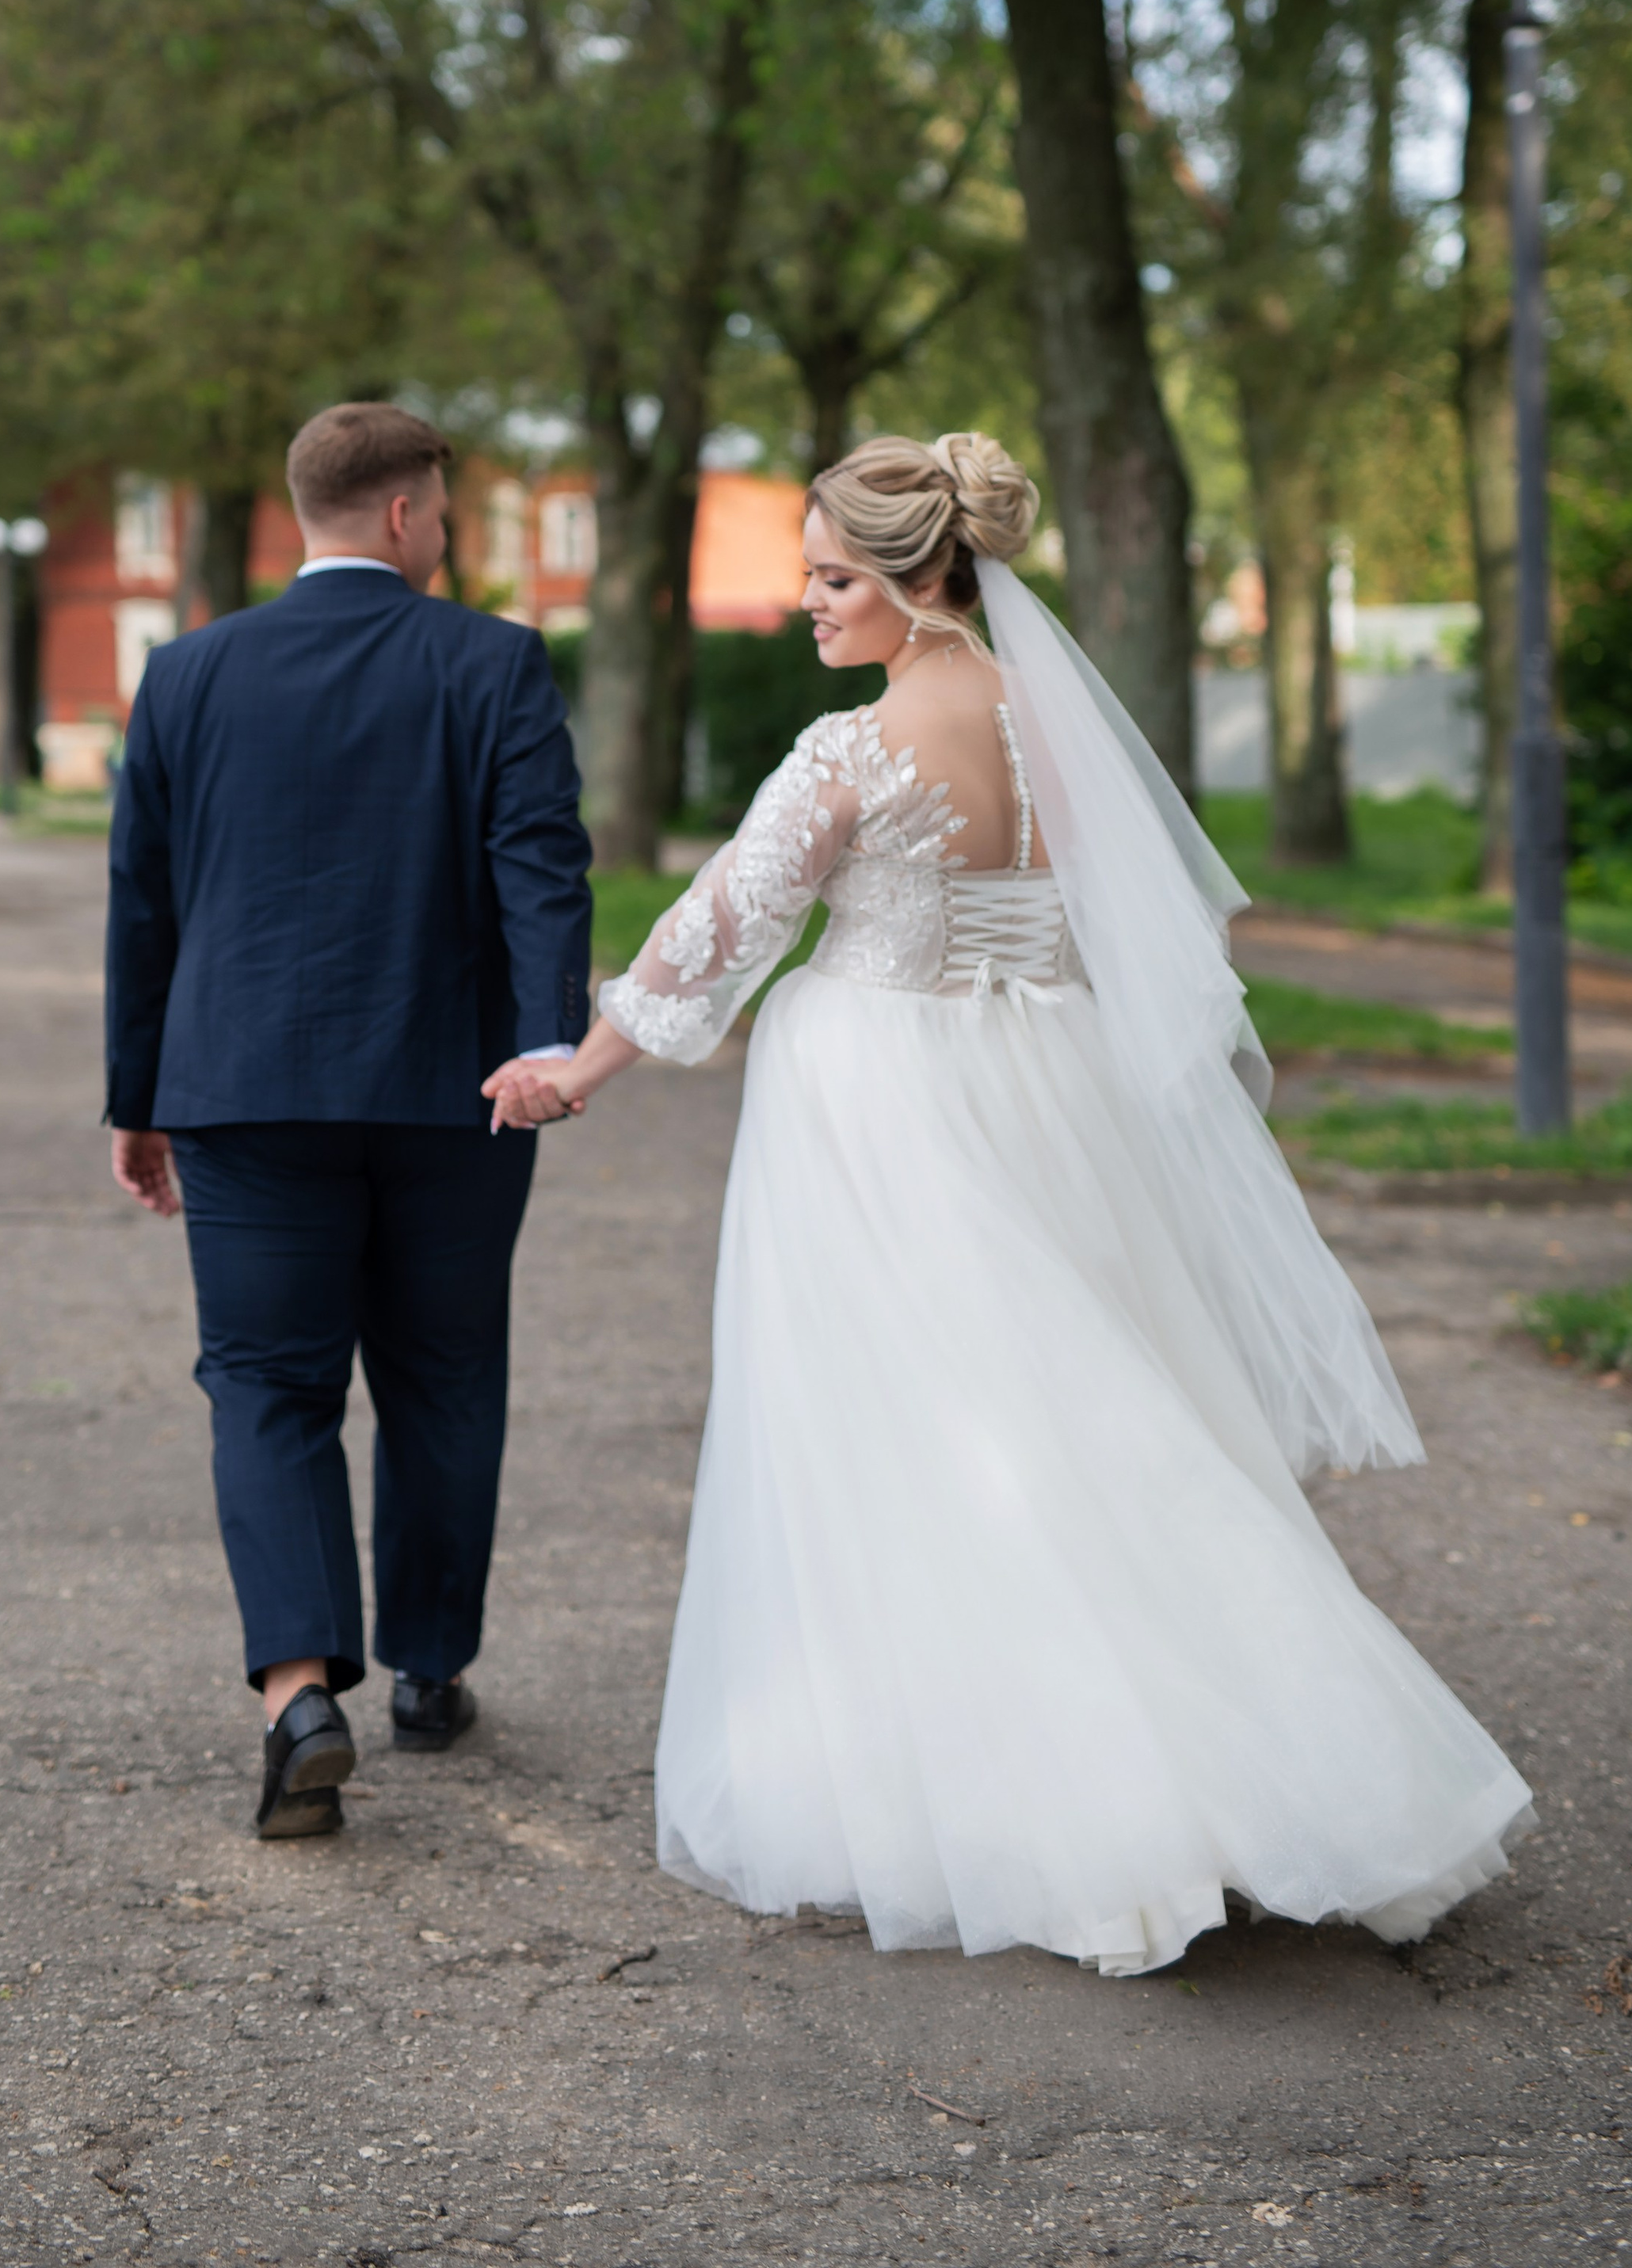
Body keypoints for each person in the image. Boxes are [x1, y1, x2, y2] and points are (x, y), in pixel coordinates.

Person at [483, 433, 1534, 1976]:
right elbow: (1124, 930)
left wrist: (576, 1067)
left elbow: (720, 930)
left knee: (916, 1431)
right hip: (1047, 1084)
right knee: (1086, 1411)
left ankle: (1034, 1797)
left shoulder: (849, 753)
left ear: (916, 581)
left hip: (883, 1106)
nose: (806, 604)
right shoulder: (1060, 730)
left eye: (831, 578)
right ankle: (1258, 1767)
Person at [106, 402, 593, 1839]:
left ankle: (300, 1697)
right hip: (458, 1095)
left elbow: (145, 904)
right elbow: (541, 873)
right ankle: (431, 1670)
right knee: (444, 1375)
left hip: (243, 1095)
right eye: (441, 510)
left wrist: (137, 1102)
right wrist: (544, 1047)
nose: (446, 533)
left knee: (266, 1386)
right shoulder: (494, 661)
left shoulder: (184, 675)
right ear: (400, 514)